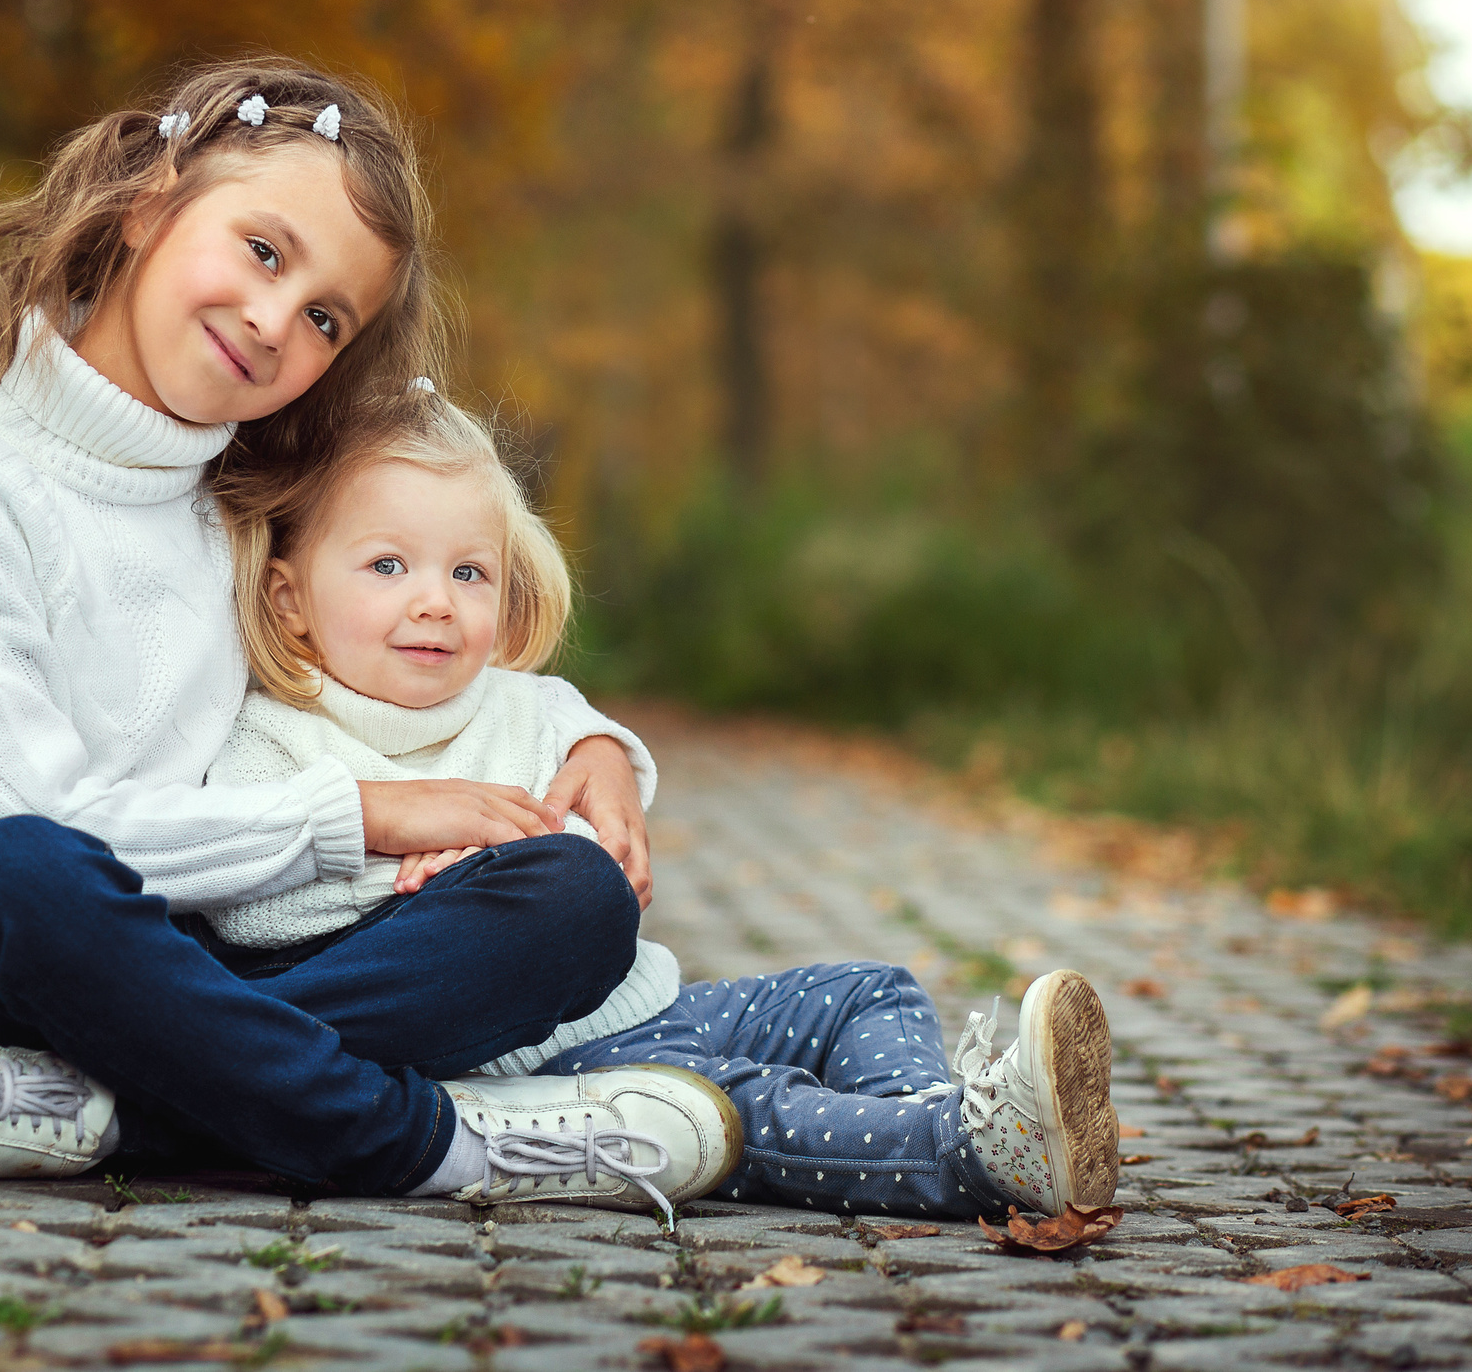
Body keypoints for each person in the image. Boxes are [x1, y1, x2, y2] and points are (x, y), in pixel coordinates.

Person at [0, 55, 740, 1216]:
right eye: (263, 251)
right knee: (17, 871)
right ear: (148, 203)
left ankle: (98, 1111)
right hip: (42, 962)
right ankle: (431, 1143)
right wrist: (358, 818)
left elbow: (425, 654)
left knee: (574, 902)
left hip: (250, 962)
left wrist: (595, 749)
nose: (274, 323)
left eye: (324, 317)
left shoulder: (255, 495)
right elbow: (39, 820)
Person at [199, 382, 1122, 1220]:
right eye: (389, 566)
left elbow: (600, 765)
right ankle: (965, 1157)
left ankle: (926, 1114)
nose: (436, 602)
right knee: (745, 1101)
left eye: (468, 572)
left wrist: (603, 753)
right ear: (289, 597)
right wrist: (418, 880)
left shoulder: (517, 699)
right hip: (552, 1060)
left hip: (646, 995)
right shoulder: (275, 738)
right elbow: (256, 908)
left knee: (870, 990)